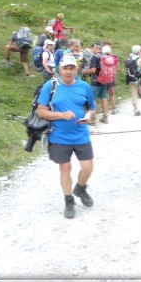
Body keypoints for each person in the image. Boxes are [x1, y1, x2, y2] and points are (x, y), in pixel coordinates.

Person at [35, 54, 96, 218]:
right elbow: (40, 111)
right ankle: (69, 200)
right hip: (59, 136)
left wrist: (89, 116)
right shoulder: (51, 86)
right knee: (65, 168)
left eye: (72, 68)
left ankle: (81, 188)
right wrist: (61, 115)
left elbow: (91, 108)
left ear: (76, 69)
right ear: (59, 70)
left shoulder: (84, 86)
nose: (68, 72)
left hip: (81, 134)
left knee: (88, 167)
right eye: (65, 68)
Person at [93, 44, 119, 122]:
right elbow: (116, 66)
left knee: (94, 98)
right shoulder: (113, 57)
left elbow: (95, 69)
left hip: (100, 78)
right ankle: (109, 112)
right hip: (110, 77)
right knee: (107, 95)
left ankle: (93, 118)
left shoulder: (101, 58)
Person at [125, 44, 141, 116]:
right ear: (139, 51)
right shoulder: (140, 59)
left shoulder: (129, 59)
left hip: (131, 78)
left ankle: (136, 109)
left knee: (134, 93)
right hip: (140, 79)